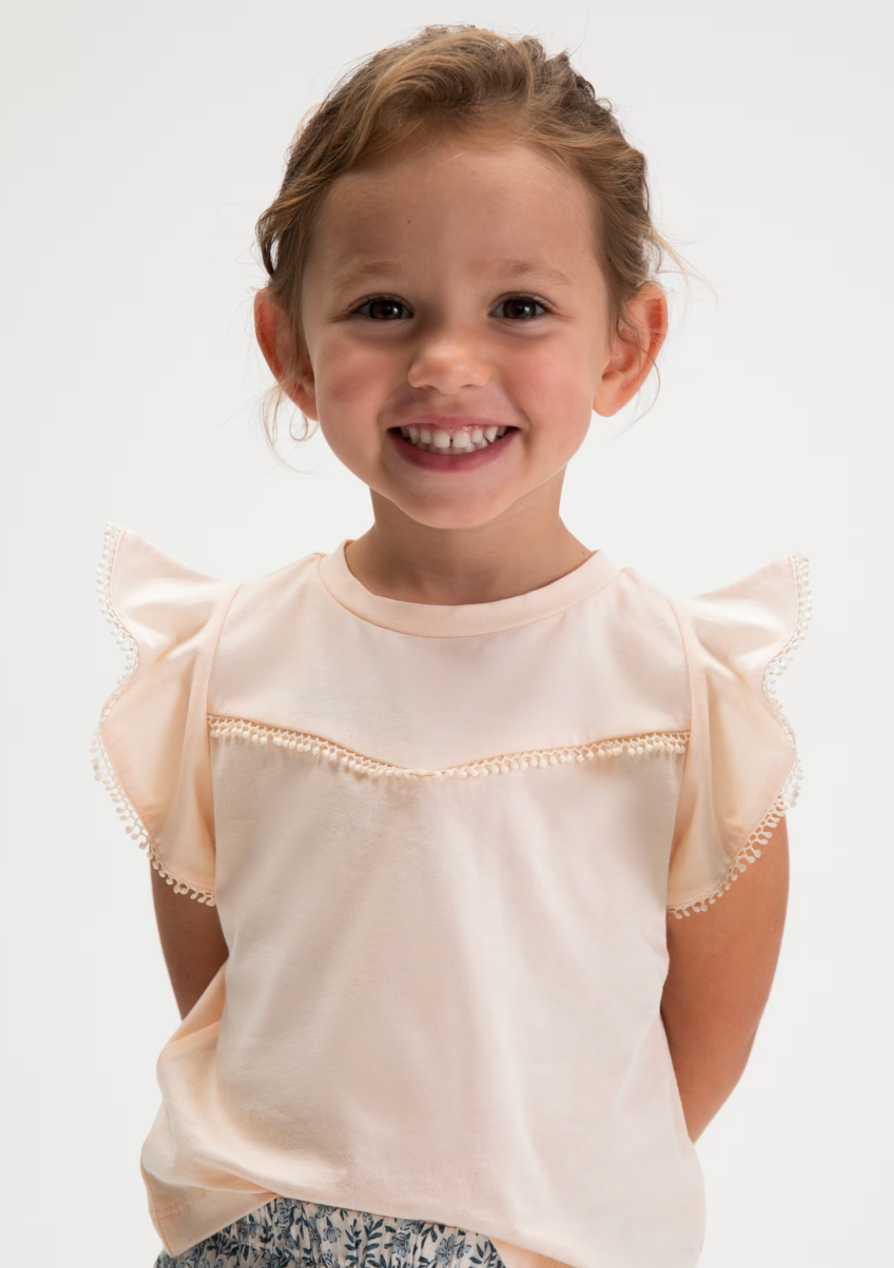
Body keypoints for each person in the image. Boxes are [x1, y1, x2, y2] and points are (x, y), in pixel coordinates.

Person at [90, 24, 813, 1268]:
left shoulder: (682, 693)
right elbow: (226, 994)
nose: (446, 362)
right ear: (291, 349)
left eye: (520, 306)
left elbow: (696, 1047)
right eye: (383, 307)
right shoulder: (222, 667)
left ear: (624, 345)